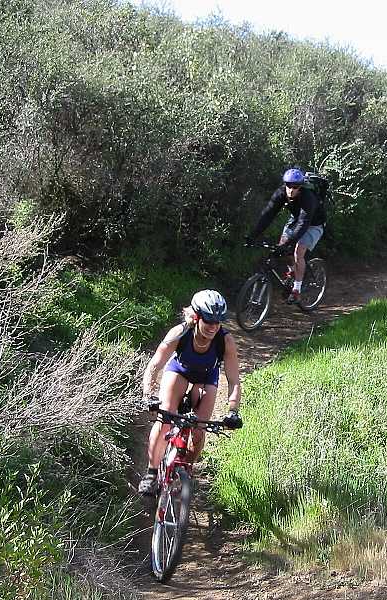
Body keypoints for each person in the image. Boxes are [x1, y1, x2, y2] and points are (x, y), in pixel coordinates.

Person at [137, 290, 243, 496]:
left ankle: (185, 470)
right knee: (165, 417)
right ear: (196, 317)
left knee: (199, 428)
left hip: (206, 378)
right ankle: (151, 473)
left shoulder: (225, 341)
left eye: (218, 321)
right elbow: (154, 366)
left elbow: (233, 380)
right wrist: (147, 395)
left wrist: (233, 410)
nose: (214, 326)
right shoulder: (180, 333)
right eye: (209, 321)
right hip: (179, 372)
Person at [247, 168, 326, 304]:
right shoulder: (281, 193)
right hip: (296, 219)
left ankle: (296, 290)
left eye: (295, 187)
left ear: (300, 187)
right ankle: (293, 272)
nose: (291, 189)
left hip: (314, 224)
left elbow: (303, 225)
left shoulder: (308, 198)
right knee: (283, 249)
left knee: (298, 252)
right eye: (288, 185)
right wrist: (253, 235)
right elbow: (267, 215)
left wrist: (287, 244)